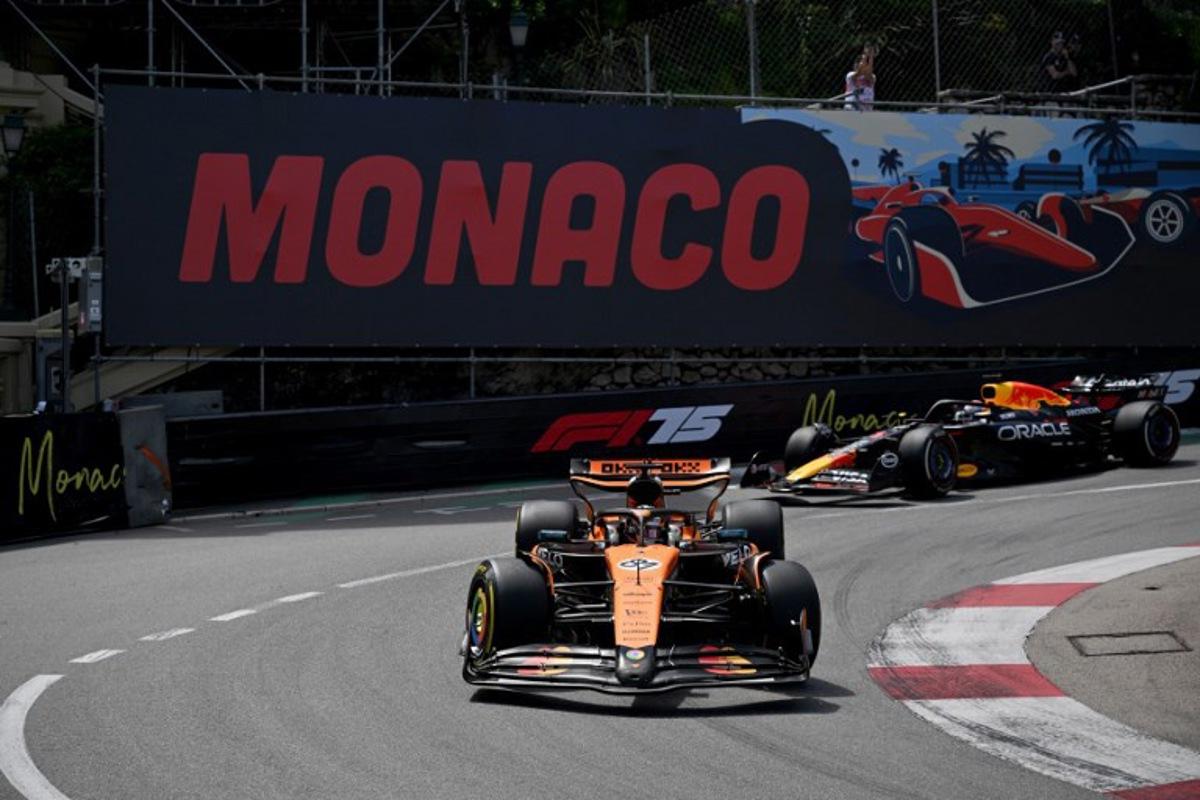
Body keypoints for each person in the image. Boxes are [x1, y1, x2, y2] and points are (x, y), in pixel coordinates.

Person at [1037, 31, 1077, 95]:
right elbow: (1055, 75)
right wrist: (1067, 72)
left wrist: (1067, 58)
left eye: (1061, 43)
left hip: (1063, 91)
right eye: (1057, 43)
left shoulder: (1064, 56)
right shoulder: (1049, 56)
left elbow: (1074, 73)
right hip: (1049, 92)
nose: (1059, 45)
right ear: (1052, 43)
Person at [844, 45, 877, 111]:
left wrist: (871, 57)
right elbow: (859, 72)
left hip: (867, 108)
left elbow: (868, 74)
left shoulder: (872, 76)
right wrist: (865, 55)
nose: (863, 64)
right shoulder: (850, 75)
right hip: (852, 107)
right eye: (859, 62)